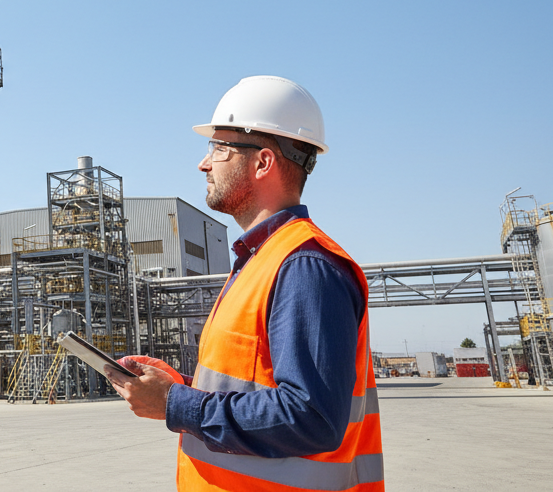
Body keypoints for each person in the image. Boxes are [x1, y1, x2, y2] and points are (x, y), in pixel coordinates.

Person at [107, 75, 383, 491]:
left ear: (262, 162)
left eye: (219, 148)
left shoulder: (304, 265)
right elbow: (252, 386)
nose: (204, 164)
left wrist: (175, 403)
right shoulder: (260, 261)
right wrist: (180, 386)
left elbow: (312, 417)